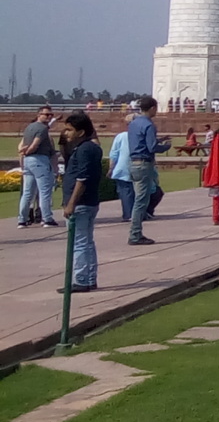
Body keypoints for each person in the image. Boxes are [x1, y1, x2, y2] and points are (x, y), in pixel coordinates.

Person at [59, 110, 103, 292]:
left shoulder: (84, 149)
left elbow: (82, 178)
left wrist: (71, 203)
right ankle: (89, 277)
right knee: (86, 241)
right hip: (89, 202)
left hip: (81, 203)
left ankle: (81, 280)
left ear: (81, 132)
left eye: (69, 130)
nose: (66, 133)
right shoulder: (91, 148)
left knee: (79, 243)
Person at [127, 95, 170, 245]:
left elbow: (141, 142)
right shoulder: (149, 125)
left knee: (139, 199)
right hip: (144, 164)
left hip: (133, 163)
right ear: (152, 108)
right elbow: (151, 147)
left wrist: (158, 140)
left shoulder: (134, 123)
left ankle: (135, 232)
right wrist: (165, 146)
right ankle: (135, 234)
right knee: (141, 201)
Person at [16, 104, 59, 227]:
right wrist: (28, 151)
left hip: (28, 161)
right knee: (44, 191)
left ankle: (22, 219)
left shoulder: (29, 127)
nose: (49, 117)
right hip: (39, 159)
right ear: (39, 115)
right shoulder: (42, 129)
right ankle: (47, 218)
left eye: (51, 115)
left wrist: (23, 154)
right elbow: (35, 144)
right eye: (46, 114)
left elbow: (22, 144)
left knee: (28, 192)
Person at [107, 111, 136, 221]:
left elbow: (114, 154)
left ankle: (128, 214)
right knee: (134, 192)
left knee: (125, 193)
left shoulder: (121, 136)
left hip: (122, 168)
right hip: (136, 167)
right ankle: (133, 214)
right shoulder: (139, 136)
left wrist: (111, 169)